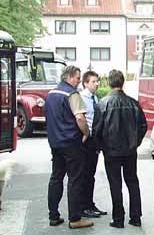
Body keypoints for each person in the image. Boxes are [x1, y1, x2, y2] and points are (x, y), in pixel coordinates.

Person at [94, 69, 147, 228]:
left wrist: (101, 147)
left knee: (115, 184)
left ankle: (118, 218)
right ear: (122, 82)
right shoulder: (133, 103)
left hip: (111, 151)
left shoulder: (103, 104)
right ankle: (136, 217)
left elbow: (97, 129)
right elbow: (143, 126)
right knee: (132, 182)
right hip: (130, 150)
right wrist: (135, 142)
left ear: (109, 83)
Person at [44, 65, 93, 229]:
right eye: (78, 78)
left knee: (56, 178)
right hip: (72, 143)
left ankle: (53, 215)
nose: (79, 82)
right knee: (75, 179)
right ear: (70, 77)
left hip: (55, 143)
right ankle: (75, 218)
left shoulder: (51, 94)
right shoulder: (72, 94)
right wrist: (86, 133)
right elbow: (80, 118)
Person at [79, 70, 107, 218]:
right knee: (85, 174)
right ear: (85, 83)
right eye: (94, 81)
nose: (97, 84)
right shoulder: (82, 98)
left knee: (91, 174)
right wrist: (86, 134)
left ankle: (90, 203)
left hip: (95, 141)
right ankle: (84, 206)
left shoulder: (94, 98)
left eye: (97, 81)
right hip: (86, 140)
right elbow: (81, 118)